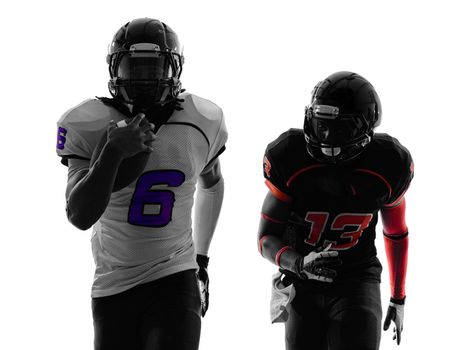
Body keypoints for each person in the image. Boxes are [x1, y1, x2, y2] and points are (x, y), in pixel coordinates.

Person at [56, 18, 227, 350]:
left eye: (154, 67)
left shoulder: (202, 119)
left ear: (173, 69)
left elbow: (213, 184)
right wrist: (112, 151)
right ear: (114, 68)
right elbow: (79, 215)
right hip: (113, 283)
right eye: (133, 67)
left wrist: (201, 261)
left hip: (175, 274)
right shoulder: (89, 123)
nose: (144, 79)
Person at [258, 71, 413, 350]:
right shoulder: (290, 157)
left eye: (341, 129)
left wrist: (398, 296)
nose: (328, 138)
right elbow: (266, 237)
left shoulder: (388, 164)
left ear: (366, 128)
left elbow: (396, 232)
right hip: (303, 280)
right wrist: (298, 263)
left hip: (356, 279)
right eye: (322, 126)